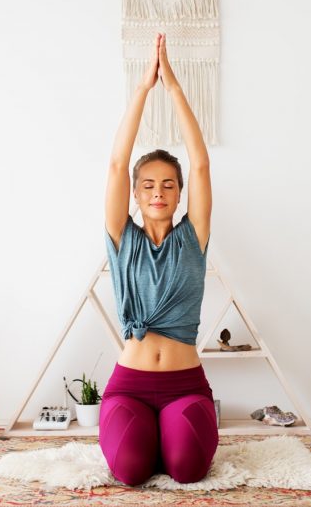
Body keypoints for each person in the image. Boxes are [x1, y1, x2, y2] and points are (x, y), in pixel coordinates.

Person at [98, 32, 217, 486]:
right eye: (148, 184)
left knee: (186, 470)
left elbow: (202, 163)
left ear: (180, 193)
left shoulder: (194, 237)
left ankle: (168, 434)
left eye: (168, 184)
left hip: (185, 386)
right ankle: (146, 435)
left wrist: (173, 88)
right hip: (129, 384)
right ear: (135, 193)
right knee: (130, 472)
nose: (158, 192)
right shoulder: (120, 237)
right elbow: (115, 162)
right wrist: (143, 90)